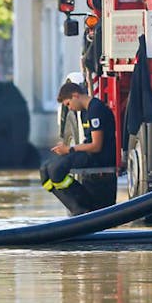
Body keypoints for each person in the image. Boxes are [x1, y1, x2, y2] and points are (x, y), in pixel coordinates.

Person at [40, 82, 116, 212]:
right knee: (45, 169)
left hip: (100, 156)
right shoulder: (85, 112)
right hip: (90, 153)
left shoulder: (95, 109)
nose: (70, 109)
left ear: (75, 95)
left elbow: (96, 146)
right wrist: (67, 149)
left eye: (68, 104)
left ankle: (81, 208)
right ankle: (77, 205)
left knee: (56, 170)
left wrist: (69, 149)